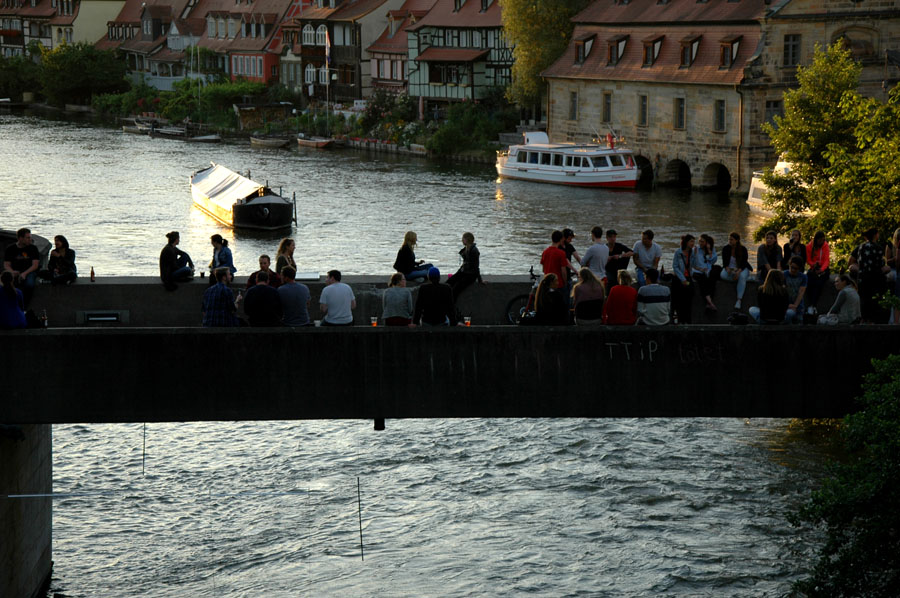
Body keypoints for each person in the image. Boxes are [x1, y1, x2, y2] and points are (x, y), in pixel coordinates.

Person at [856, 227, 890, 323]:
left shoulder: (861, 247)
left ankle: (863, 320)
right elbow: (880, 264)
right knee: (874, 302)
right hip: (874, 279)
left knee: (864, 301)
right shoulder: (877, 248)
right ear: (875, 235)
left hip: (862, 278)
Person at [3, 227, 39, 305]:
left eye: (30, 237)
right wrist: (12, 272)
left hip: (29, 271)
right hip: (15, 271)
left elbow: (35, 265)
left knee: (29, 284)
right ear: (20, 238)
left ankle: (24, 305)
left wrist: (24, 273)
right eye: (27, 238)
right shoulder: (10, 249)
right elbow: (6, 264)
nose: (30, 239)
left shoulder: (33, 248)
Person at [720, 232, 752, 309]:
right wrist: (728, 269)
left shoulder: (743, 249)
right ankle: (745, 280)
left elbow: (744, 263)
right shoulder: (726, 248)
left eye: (731, 239)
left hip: (742, 268)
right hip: (731, 269)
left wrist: (738, 272)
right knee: (723, 275)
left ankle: (739, 300)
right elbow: (725, 263)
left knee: (741, 276)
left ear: (737, 240)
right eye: (729, 239)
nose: (729, 241)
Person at [447, 232, 483, 300]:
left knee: (456, 289)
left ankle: (451, 306)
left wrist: (480, 280)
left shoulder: (474, 251)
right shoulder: (466, 249)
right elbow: (464, 265)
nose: (462, 240)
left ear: (467, 239)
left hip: (470, 275)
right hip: (464, 272)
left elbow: (476, 267)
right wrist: (457, 274)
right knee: (448, 283)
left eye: (463, 239)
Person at [671, 235, 695, 323]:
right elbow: (675, 266)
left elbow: (694, 265)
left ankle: (688, 320)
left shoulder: (692, 252)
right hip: (679, 278)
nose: (693, 244)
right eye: (691, 241)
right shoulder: (678, 252)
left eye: (693, 242)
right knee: (679, 300)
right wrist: (682, 279)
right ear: (686, 242)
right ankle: (680, 319)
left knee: (689, 299)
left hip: (688, 277)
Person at [691, 234, 719, 311]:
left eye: (702, 241)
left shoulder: (710, 249)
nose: (700, 243)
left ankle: (709, 303)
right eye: (699, 241)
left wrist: (709, 250)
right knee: (702, 280)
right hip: (697, 271)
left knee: (712, 280)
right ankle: (710, 302)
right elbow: (691, 263)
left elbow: (713, 261)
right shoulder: (695, 249)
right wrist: (700, 269)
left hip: (708, 270)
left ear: (706, 242)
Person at [805, 231, 830, 312]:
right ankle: (811, 304)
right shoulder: (809, 247)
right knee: (810, 282)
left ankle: (814, 304)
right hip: (814, 267)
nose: (822, 242)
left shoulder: (825, 246)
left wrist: (822, 269)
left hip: (823, 268)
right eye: (820, 240)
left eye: (823, 240)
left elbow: (826, 260)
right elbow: (808, 260)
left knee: (820, 283)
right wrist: (813, 265)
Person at [783, 256, 808, 324]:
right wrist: (787, 305)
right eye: (792, 267)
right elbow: (782, 291)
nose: (793, 270)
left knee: (799, 323)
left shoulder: (803, 277)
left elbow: (801, 292)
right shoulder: (784, 274)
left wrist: (795, 306)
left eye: (796, 268)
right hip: (786, 305)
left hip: (799, 306)